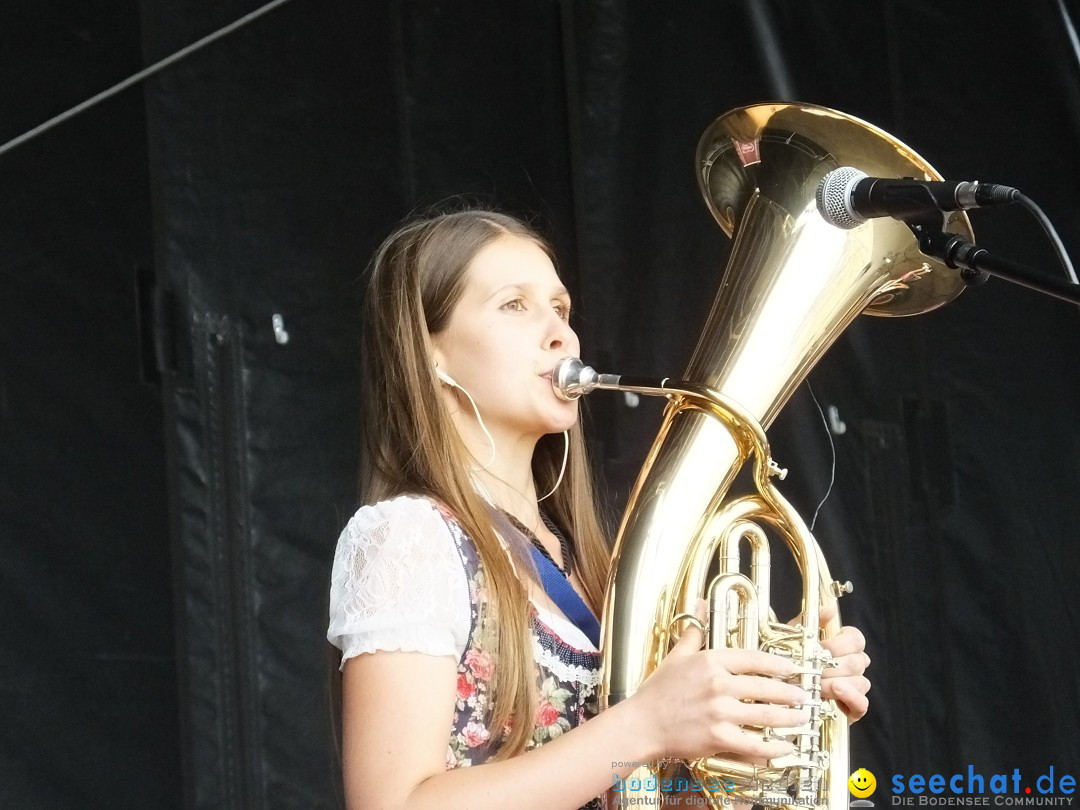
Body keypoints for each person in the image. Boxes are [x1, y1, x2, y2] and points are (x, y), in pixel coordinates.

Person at [327, 208, 870, 809]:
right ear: (431, 354)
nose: (561, 334)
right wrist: (646, 724)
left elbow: (629, 785)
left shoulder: (585, 561)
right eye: (515, 305)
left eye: (560, 308)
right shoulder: (407, 536)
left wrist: (765, 713)